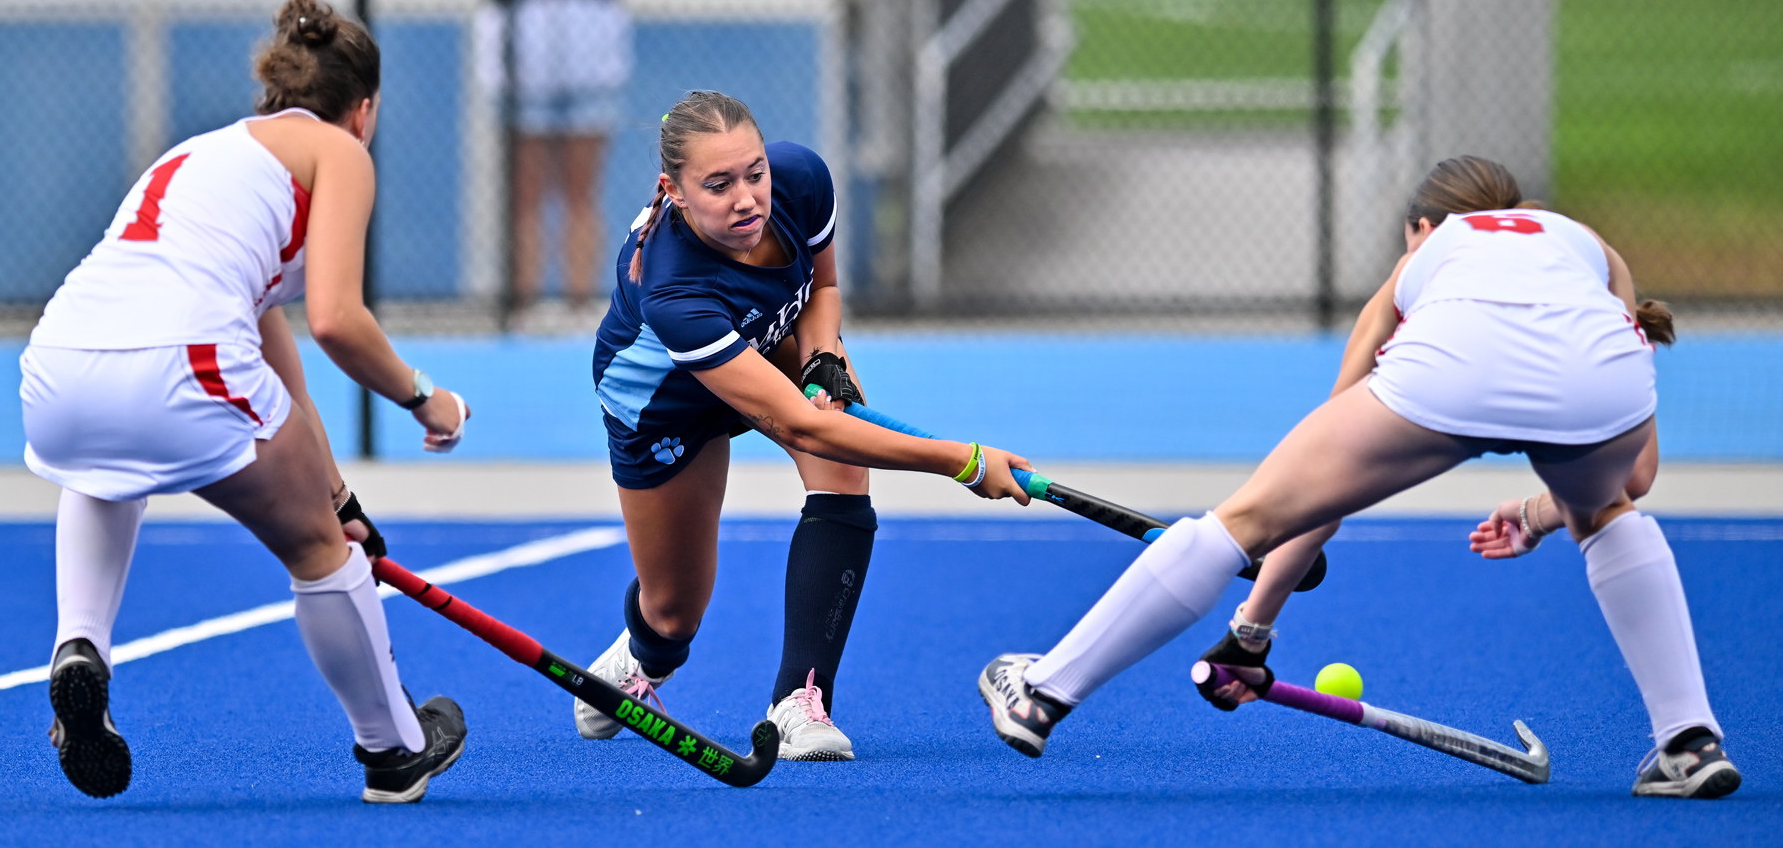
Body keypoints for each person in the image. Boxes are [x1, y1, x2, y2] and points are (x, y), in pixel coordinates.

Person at [979, 156, 1739, 799]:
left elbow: (1317, 495)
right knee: (1609, 514)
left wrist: (1252, 629)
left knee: (1242, 517)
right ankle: (1690, 740)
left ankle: (1043, 692)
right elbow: (1631, 478)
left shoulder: (1422, 259)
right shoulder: (1590, 247)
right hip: (1598, 387)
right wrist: (1545, 513)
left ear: (1422, 227)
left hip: (1450, 372)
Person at [19, 0, 473, 804]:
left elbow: (274, 343)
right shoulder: (340, 153)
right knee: (316, 555)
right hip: (182, 359)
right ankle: (395, 747)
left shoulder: (209, 154)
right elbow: (336, 319)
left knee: (105, 466)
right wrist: (423, 396)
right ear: (363, 109)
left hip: (60, 359)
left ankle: (79, 643)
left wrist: (337, 494)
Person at [583, 90, 1036, 761]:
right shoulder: (675, 289)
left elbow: (819, 288)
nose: (747, 197)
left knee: (845, 473)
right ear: (672, 191)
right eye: (718, 184)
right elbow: (801, 423)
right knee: (675, 612)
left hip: (768, 343)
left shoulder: (800, 180)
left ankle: (799, 697)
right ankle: (639, 659)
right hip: (664, 404)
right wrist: (962, 462)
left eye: (753, 172)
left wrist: (823, 353)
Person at [489, 0, 632, 326]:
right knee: (524, 191)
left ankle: (580, 309)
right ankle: (521, 310)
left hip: (589, 12)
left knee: (582, 191)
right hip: (521, 12)